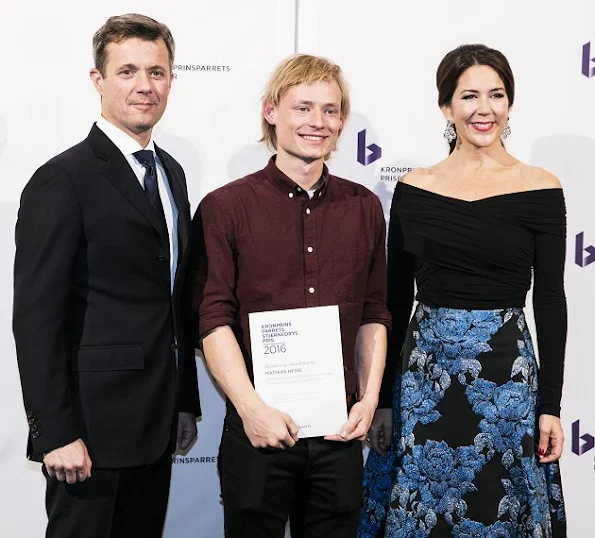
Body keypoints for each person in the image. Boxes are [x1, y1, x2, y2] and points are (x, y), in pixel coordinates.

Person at [359, 44, 567, 537]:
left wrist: (550, 405)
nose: (484, 108)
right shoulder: (414, 188)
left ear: (509, 104)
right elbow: (393, 299)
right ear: (446, 107)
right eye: (469, 95)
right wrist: (383, 397)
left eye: (497, 95)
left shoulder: (540, 187)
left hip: (507, 384)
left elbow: (551, 302)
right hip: (424, 381)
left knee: (503, 508)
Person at [13, 13, 200, 538]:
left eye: (158, 72)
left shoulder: (172, 174)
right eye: (128, 71)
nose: (145, 85)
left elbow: (171, 298)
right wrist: (55, 432)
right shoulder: (61, 179)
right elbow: (36, 318)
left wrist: (185, 399)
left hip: (156, 422)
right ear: (98, 80)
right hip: (89, 432)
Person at [191, 54, 391, 537]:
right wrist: (250, 409)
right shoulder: (225, 207)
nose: (316, 122)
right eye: (303, 107)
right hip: (257, 430)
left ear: (342, 121)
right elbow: (212, 317)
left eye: (329, 110)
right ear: (271, 111)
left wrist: (368, 399)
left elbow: (373, 312)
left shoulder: (364, 208)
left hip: (340, 434)